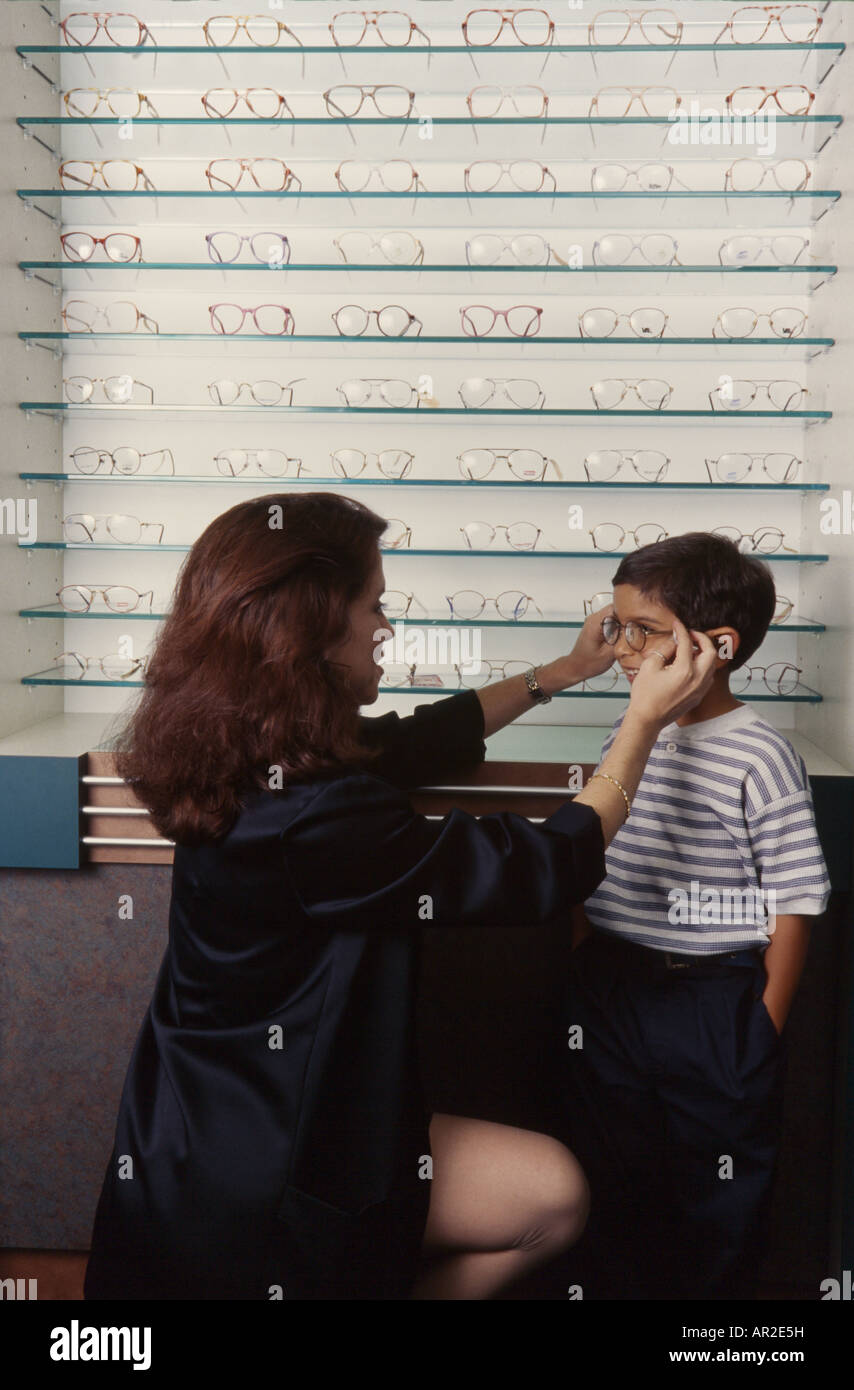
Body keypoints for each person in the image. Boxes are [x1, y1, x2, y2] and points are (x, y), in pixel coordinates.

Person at [83, 493, 716, 1301]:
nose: (386, 626)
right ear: (312, 626)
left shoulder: (247, 743)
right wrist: (644, 722)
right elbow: (544, 866)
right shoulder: (315, 815)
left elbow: (408, 743)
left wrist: (559, 673)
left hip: (200, 1113)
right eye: (374, 605)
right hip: (282, 1150)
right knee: (553, 1197)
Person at [562, 532, 831, 1300]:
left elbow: (796, 899)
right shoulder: (631, 733)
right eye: (615, 627)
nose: (621, 648)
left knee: (720, 1197)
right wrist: (590, 953)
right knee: (609, 1175)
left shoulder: (760, 755)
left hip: (712, 1004)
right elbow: (591, 856)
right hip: (612, 989)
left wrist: (761, 1029)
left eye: (640, 631)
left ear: (717, 646)